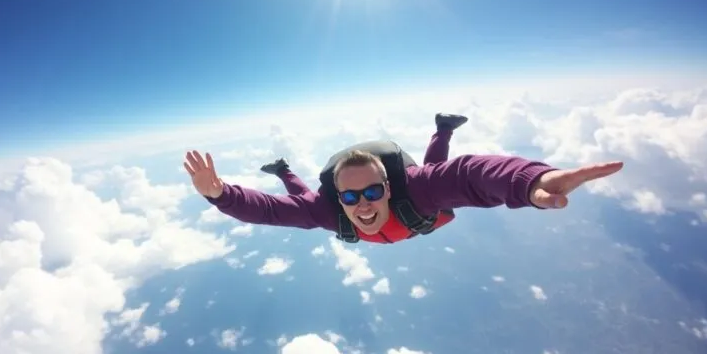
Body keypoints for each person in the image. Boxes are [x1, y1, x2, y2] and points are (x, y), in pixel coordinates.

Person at [183, 113, 624, 244]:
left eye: (373, 191)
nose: (362, 204)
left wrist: (530, 181)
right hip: (400, 214)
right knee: (305, 202)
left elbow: (470, 175)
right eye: (351, 196)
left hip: (423, 203)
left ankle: (443, 127)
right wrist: (220, 194)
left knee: (434, 172)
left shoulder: (416, 190)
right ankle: (283, 169)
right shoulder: (331, 208)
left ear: (388, 187)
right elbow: (272, 210)